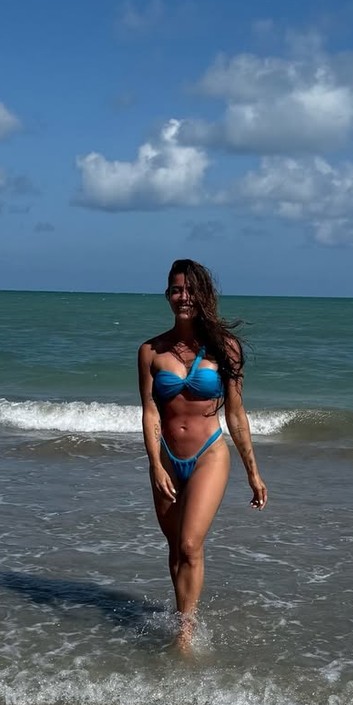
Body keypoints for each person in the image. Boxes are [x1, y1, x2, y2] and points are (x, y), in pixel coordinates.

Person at [138, 259, 268, 649]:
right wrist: (155, 463)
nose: (183, 297)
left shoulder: (225, 347)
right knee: (175, 548)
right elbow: (148, 411)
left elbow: (236, 413)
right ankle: (183, 615)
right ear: (167, 295)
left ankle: (185, 634)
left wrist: (253, 472)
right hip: (166, 460)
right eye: (176, 289)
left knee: (191, 544)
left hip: (210, 454)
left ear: (203, 295)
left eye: (190, 290)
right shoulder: (150, 351)